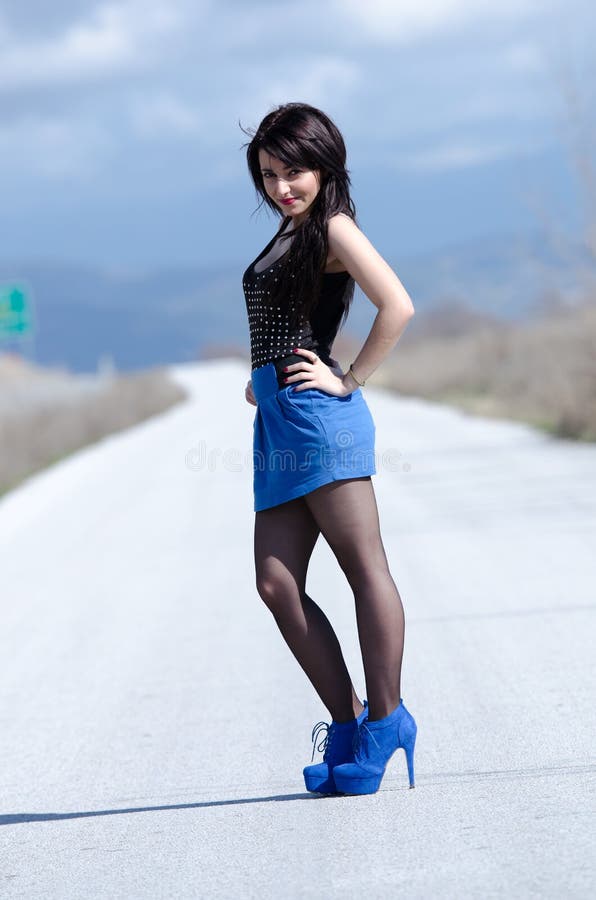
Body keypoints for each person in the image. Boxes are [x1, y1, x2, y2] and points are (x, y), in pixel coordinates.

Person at [240, 102, 417, 796]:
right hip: (281, 420)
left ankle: (386, 719)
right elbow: (283, 318)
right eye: (270, 174)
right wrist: (261, 377)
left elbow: (397, 305)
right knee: (276, 584)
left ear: (325, 165)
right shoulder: (292, 230)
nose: (284, 185)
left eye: (295, 171)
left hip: (320, 420)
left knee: (362, 568)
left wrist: (348, 380)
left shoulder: (333, 226)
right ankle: (347, 724)